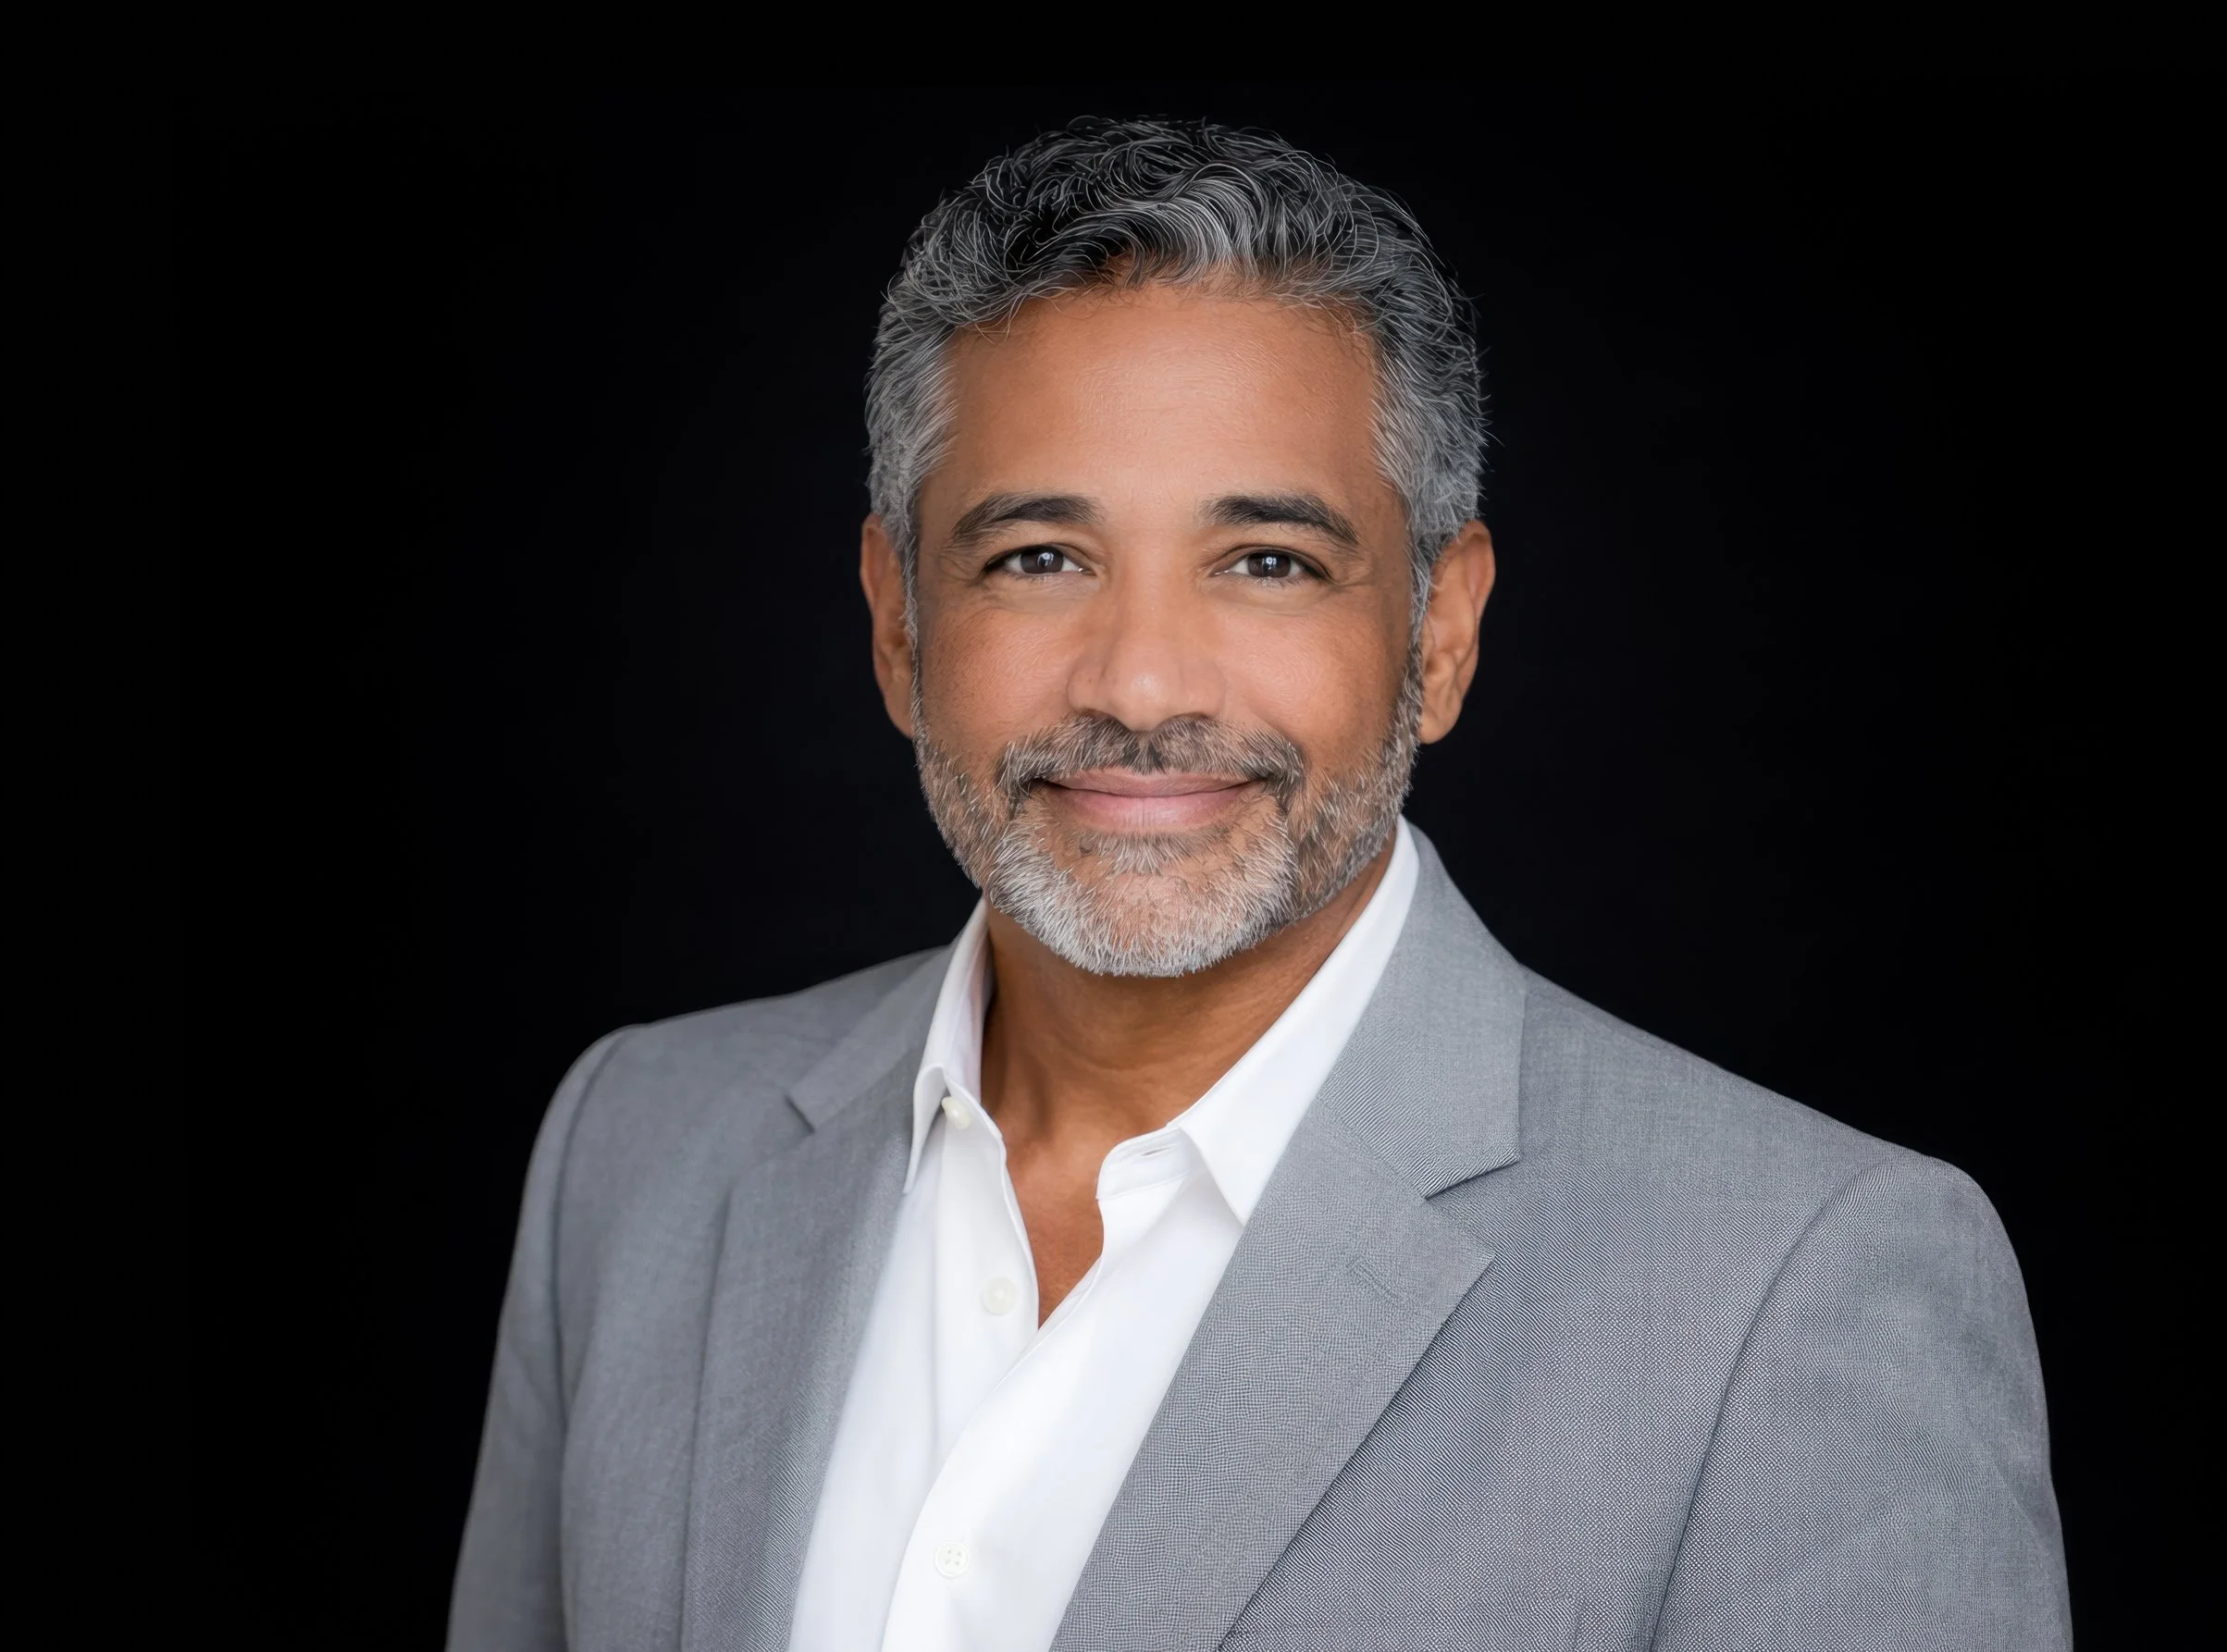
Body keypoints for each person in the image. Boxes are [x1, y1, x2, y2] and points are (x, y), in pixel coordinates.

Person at [447, 117, 2069, 1652]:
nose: (1143, 685)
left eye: (1269, 561)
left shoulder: (1794, 1289)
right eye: (1037, 556)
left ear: (1440, 633)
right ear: (895, 621)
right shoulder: (635, 1151)